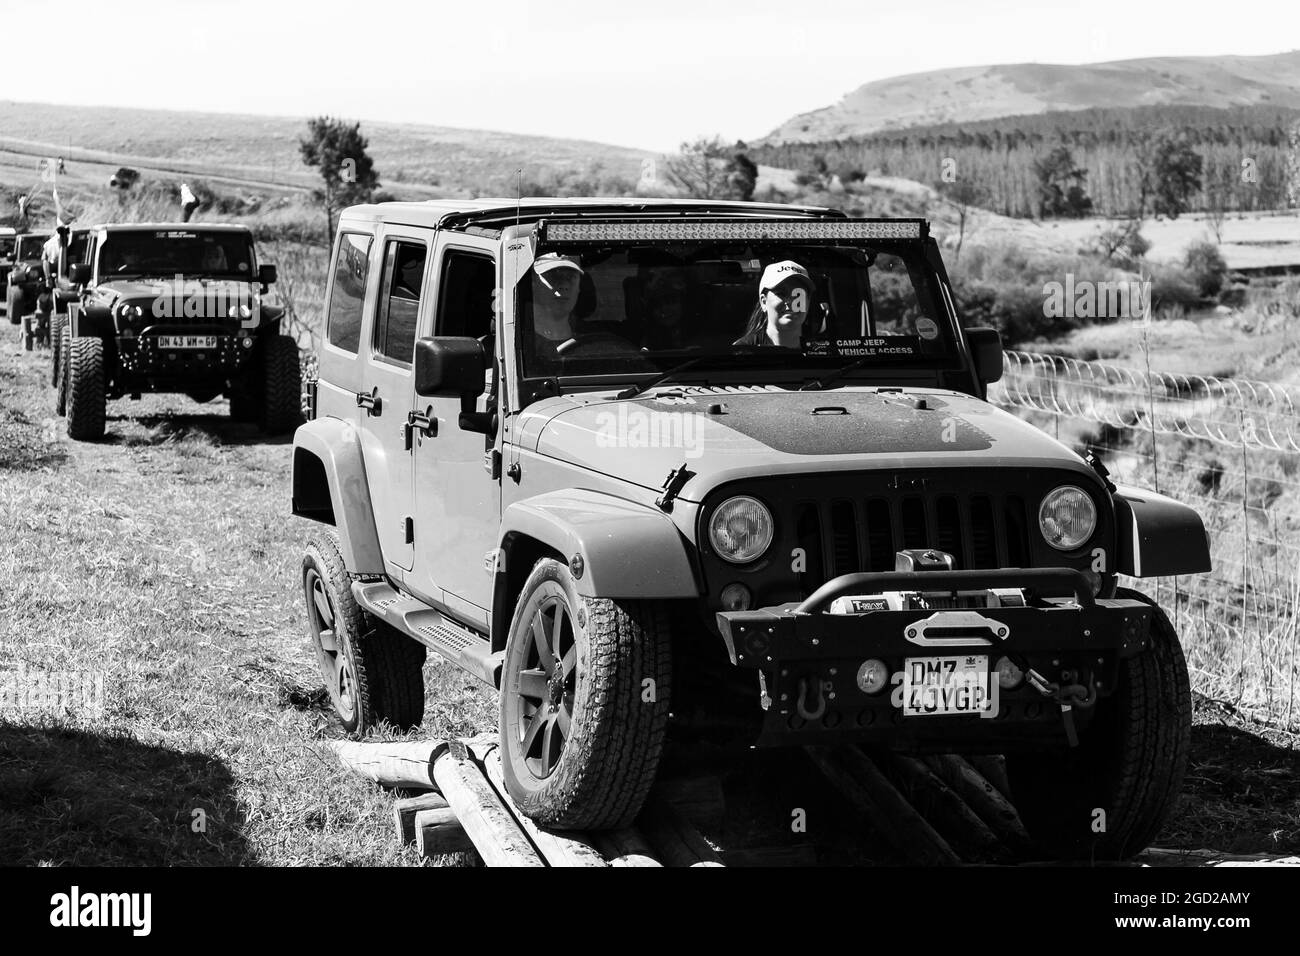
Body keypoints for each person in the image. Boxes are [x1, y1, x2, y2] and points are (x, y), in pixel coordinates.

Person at [735, 260, 816, 348]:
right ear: (764, 301)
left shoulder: (823, 350)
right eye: (781, 294)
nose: (791, 301)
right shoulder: (742, 350)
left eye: (798, 294)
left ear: (808, 301)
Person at [528, 253, 584, 367]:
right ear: (533, 284)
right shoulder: (516, 342)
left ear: (579, 287)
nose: (564, 285)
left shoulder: (594, 338)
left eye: (570, 277)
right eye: (553, 277)